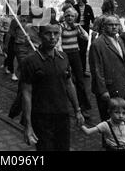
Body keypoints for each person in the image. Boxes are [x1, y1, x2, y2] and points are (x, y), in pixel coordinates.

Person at [21, 20, 84, 151]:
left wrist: (77, 110)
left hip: (62, 114)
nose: (53, 37)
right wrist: (28, 125)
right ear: (40, 35)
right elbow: (26, 92)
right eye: (48, 33)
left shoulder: (63, 57)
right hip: (41, 116)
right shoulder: (30, 61)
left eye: (56, 33)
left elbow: (69, 83)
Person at [89, 15, 125, 121]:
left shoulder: (119, 40)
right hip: (109, 88)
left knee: (122, 118)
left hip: (122, 85)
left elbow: (124, 62)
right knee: (108, 120)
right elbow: (96, 69)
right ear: (104, 26)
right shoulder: (98, 44)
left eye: (116, 25)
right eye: (110, 25)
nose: (114, 27)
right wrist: (103, 90)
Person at [60, 7, 92, 119]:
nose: (70, 18)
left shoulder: (76, 27)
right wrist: (61, 56)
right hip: (65, 55)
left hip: (75, 54)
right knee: (66, 80)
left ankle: (84, 107)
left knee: (80, 80)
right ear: (64, 16)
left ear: (75, 17)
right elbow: (59, 43)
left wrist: (80, 28)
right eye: (67, 15)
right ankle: (67, 104)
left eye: (72, 16)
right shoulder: (61, 27)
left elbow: (86, 37)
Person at [73, 0, 95, 77]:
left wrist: (92, 25)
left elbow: (92, 19)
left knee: (84, 49)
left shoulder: (88, 7)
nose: (78, 0)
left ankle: (83, 70)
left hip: (85, 29)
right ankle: (77, 71)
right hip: (77, 28)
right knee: (77, 49)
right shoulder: (74, 7)